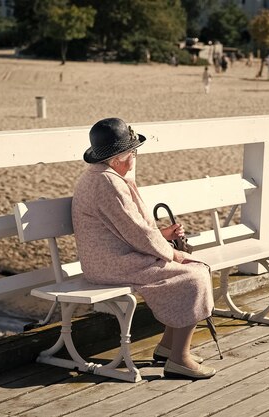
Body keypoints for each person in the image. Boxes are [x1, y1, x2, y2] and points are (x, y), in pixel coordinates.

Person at [72, 117, 216, 380]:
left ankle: (169, 348)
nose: (135, 157)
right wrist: (173, 252)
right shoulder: (108, 183)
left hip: (112, 257)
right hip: (111, 263)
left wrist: (161, 236)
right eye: (132, 152)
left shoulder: (102, 176)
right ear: (118, 158)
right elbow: (136, 233)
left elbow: (127, 230)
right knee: (194, 275)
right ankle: (179, 360)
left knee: (190, 271)